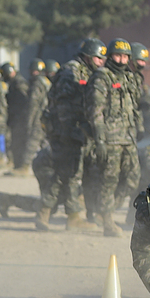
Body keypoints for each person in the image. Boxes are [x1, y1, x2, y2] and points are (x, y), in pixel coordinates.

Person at [34, 38, 105, 232]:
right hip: (66, 132)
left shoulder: (86, 72)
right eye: (98, 58)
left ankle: (45, 213)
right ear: (88, 56)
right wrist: (70, 132)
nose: (101, 62)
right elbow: (63, 106)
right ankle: (71, 217)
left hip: (74, 131)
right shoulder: (70, 72)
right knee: (69, 173)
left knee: (64, 173)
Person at [86, 38, 141, 237]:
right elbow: (96, 111)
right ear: (109, 56)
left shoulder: (128, 77)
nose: (121, 59)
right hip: (110, 139)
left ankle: (104, 209)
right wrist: (99, 140)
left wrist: (138, 127)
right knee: (108, 180)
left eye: (125, 56)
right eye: (117, 55)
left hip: (128, 137)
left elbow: (133, 106)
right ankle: (107, 221)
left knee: (133, 177)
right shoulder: (102, 77)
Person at [2, 62, 30, 174]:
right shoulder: (14, 83)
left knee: (19, 142)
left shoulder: (19, 83)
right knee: (15, 143)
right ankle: (17, 165)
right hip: (15, 118)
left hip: (20, 118)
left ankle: (21, 167)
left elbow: (24, 101)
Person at [23, 58, 51, 168]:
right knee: (44, 141)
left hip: (38, 117)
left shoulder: (37, 83)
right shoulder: (46, 81)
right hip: (47, 116)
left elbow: (33, 104)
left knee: (33, 141)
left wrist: (29, 121)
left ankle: (25, 166)